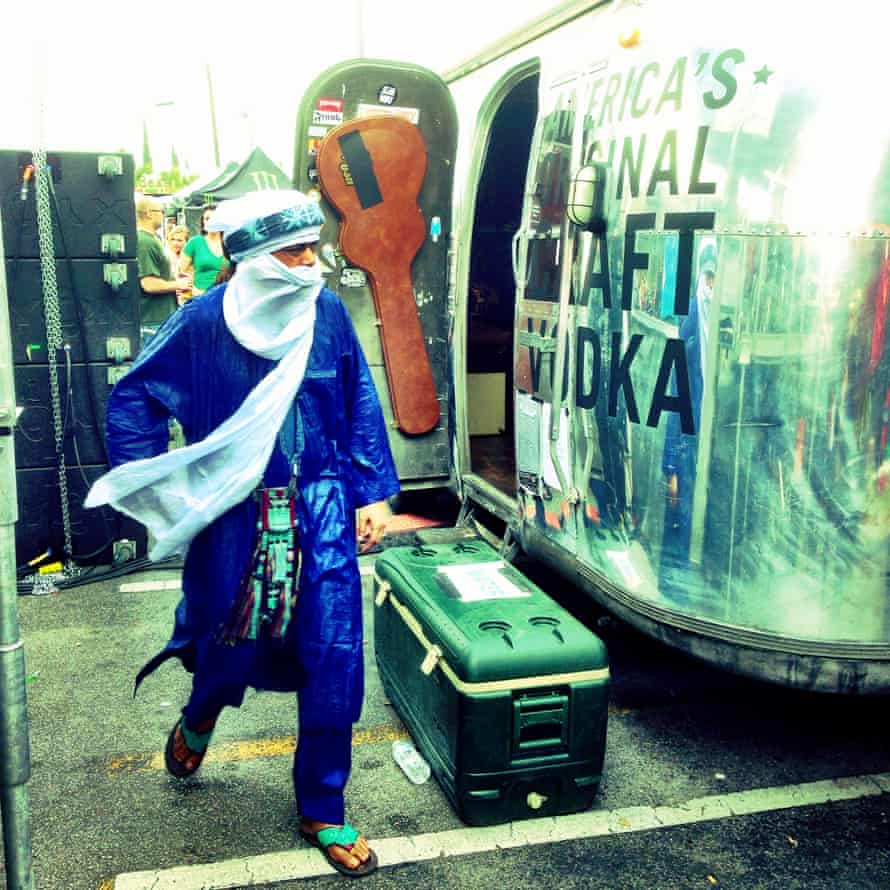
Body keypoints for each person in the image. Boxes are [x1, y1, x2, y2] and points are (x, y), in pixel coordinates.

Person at [86, 190, 399, 877]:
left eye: (315, 248)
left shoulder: (326, 312)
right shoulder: (201, 323)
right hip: (235, 515)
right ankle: (200, 715)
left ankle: (323, 806)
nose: (313, 263)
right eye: (296, 251)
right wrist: (162, 491)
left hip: (320, 507)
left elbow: (358, 394)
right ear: (256, 260)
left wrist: (373, 492)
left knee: (336, 656)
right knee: (223, 641)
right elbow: (135, 395)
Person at [135, 195, 190, 347]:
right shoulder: (145, 242)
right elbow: (149, 284)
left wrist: (174, 279)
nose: (163, 215)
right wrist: (178, 284)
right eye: (161, 211)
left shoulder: (153, 240)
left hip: (160, 319)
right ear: (148, 213)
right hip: (152, 322)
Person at [179, 204, 227, 296]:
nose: (211, 222)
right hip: (200, 297)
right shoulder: (195, 242)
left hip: (225, 297)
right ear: (202, 221)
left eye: (215, 218)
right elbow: (181, 272)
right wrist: (192, 289)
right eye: (207, 218)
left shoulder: (228, 242)